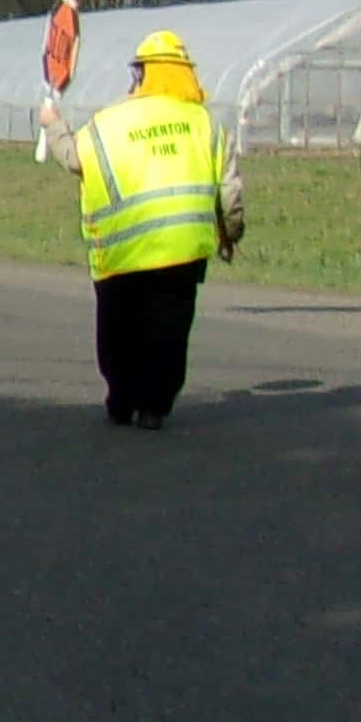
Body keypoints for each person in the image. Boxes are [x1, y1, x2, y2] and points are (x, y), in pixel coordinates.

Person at [45, 27, 242, 428]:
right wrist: (230, 234)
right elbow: (229, 193)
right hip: (183, 250)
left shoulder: (109, 122)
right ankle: (155, 406)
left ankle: (121, 398)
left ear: (141, 74)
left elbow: (74, 159)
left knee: (119, 329)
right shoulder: (206, 125)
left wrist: (53, 124)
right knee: (169, 331)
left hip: (122, 252)